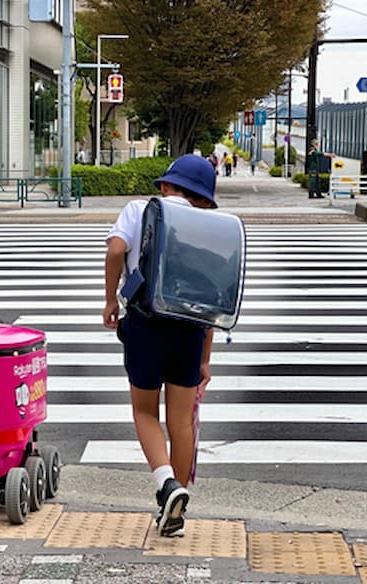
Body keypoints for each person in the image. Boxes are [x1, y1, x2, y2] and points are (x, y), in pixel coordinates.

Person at [103, 154, 220, 536]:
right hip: (189, 329)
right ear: (203, 197)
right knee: (182, 422)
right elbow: (211, 300)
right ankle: (176, 512)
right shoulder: (209, 225)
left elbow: (116, 251)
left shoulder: (139, 210)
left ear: (167, 186)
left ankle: (166, 483)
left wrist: (109, 301)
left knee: (145, 412)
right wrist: (206, 359)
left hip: (145, 326)